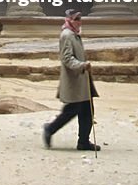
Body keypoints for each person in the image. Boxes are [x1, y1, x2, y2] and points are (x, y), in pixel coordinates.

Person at [43, 9, 101, 152]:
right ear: (70, 20)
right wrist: (81, 65)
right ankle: (50, 129)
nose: (80, 22)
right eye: (77, 19)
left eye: (80, 19)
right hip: (74, 80)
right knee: (71, 110)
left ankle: (83, 142)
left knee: (87, 110)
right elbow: (67, 58)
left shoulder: (74, 35)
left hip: (81, 79)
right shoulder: (67, 35)